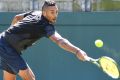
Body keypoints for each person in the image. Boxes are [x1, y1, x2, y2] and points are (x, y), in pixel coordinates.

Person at [0, 0, 91, 80]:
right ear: (44, 12)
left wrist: (9, 33)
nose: (55, 15)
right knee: (30, 78)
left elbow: (17, 17)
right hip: (6, 47)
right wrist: (77, 51)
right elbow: (60, 41)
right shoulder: (46, 26)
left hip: (5, 43)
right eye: (52, 12)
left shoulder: (35, 12)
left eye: (56, 12)